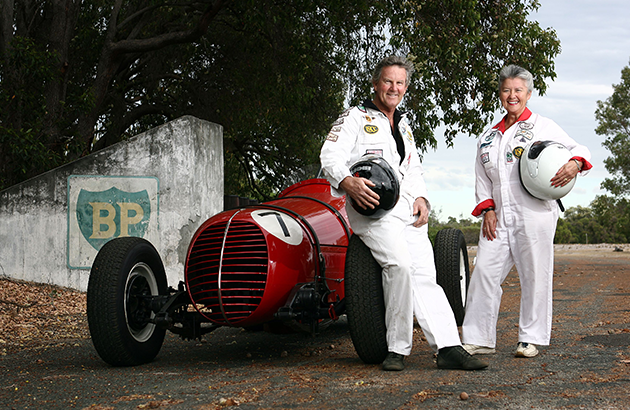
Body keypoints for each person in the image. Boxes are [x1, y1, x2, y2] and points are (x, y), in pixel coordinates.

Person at [320, 55, 487, 371]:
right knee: (399, 266)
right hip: (373, 212)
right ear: (375, 83)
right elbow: (329, 155)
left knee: (426, 276)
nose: (393, 88)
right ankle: (397, 349)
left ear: (405, 88)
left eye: (399, 83)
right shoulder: (355, 117)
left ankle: (449, 347)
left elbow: (412, 167)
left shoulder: (405, 125)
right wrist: (347, 182)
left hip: (407, 211)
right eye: (388, 81)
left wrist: (422, 196)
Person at [462, 64, 592, 358]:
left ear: (528, 94)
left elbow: (579, 148)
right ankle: (479, 338)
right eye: (506, 90)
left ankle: (529, 339)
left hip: (534, 212)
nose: (512, 95)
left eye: (518, 90)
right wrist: (488, 210)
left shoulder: (543, 126)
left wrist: (574, 164)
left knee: (535, 274)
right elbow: (482, 178)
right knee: (484, 271)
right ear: (500, 94)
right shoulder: (487, 137)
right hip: (498, 217)